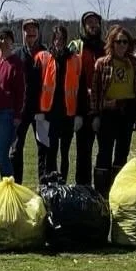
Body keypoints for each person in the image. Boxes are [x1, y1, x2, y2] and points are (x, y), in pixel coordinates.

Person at [88, 24, 136, 195]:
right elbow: (95, 91)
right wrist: (97, 112)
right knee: (104, 152)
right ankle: (101, 192)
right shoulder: (102, 63)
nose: (122, 45)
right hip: (108, 113)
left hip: (127, 112)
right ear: (112, 43)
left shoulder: (134, 63)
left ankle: (117, 191)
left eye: (125, 42)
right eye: (118, 42)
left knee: (122, 153)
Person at [32, 24, 80, 181]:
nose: (59, 42)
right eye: (56, 39)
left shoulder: (75, 59)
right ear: (52, 40)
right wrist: (38, 111)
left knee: (65, 153)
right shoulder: (43, 57)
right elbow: (35, 87)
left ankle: (63, 183)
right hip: (49, 113)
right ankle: (51, 184)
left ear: (66, 40)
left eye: (62, 39)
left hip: (68, 113)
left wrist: (78, 114)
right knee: (50, 151)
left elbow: (80, 87)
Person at [67, 11, 106, 186]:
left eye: (95, 22)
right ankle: (83, 188)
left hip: (104, 109)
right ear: (84, 26)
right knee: (83, 152)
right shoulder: (76, 47)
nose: (93, 25)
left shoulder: (106, 47)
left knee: (104, 152)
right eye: (89, 22)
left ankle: (102, 190)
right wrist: (76, 112)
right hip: (82, 108)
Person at [0, 28, 27, 179]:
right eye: (0, 37)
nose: (3, 41)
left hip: (7, 114)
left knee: (1, 153)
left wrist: (17, 115)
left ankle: (10, 185)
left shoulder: (16, 63)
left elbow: (20, 92)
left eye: (6, 38)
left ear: (11, 42)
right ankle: (5, 185)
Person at [9, 18, 44, 184]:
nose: (30, 33)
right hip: (20, 111)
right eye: (27, 30)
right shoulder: (16, 55)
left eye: (33, 30)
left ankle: (44, 186)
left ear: (38, 33)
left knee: (43, 149)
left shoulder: (46, 54)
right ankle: (17, 185)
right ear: (22, 33)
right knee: (16, 149)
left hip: (41, 110)